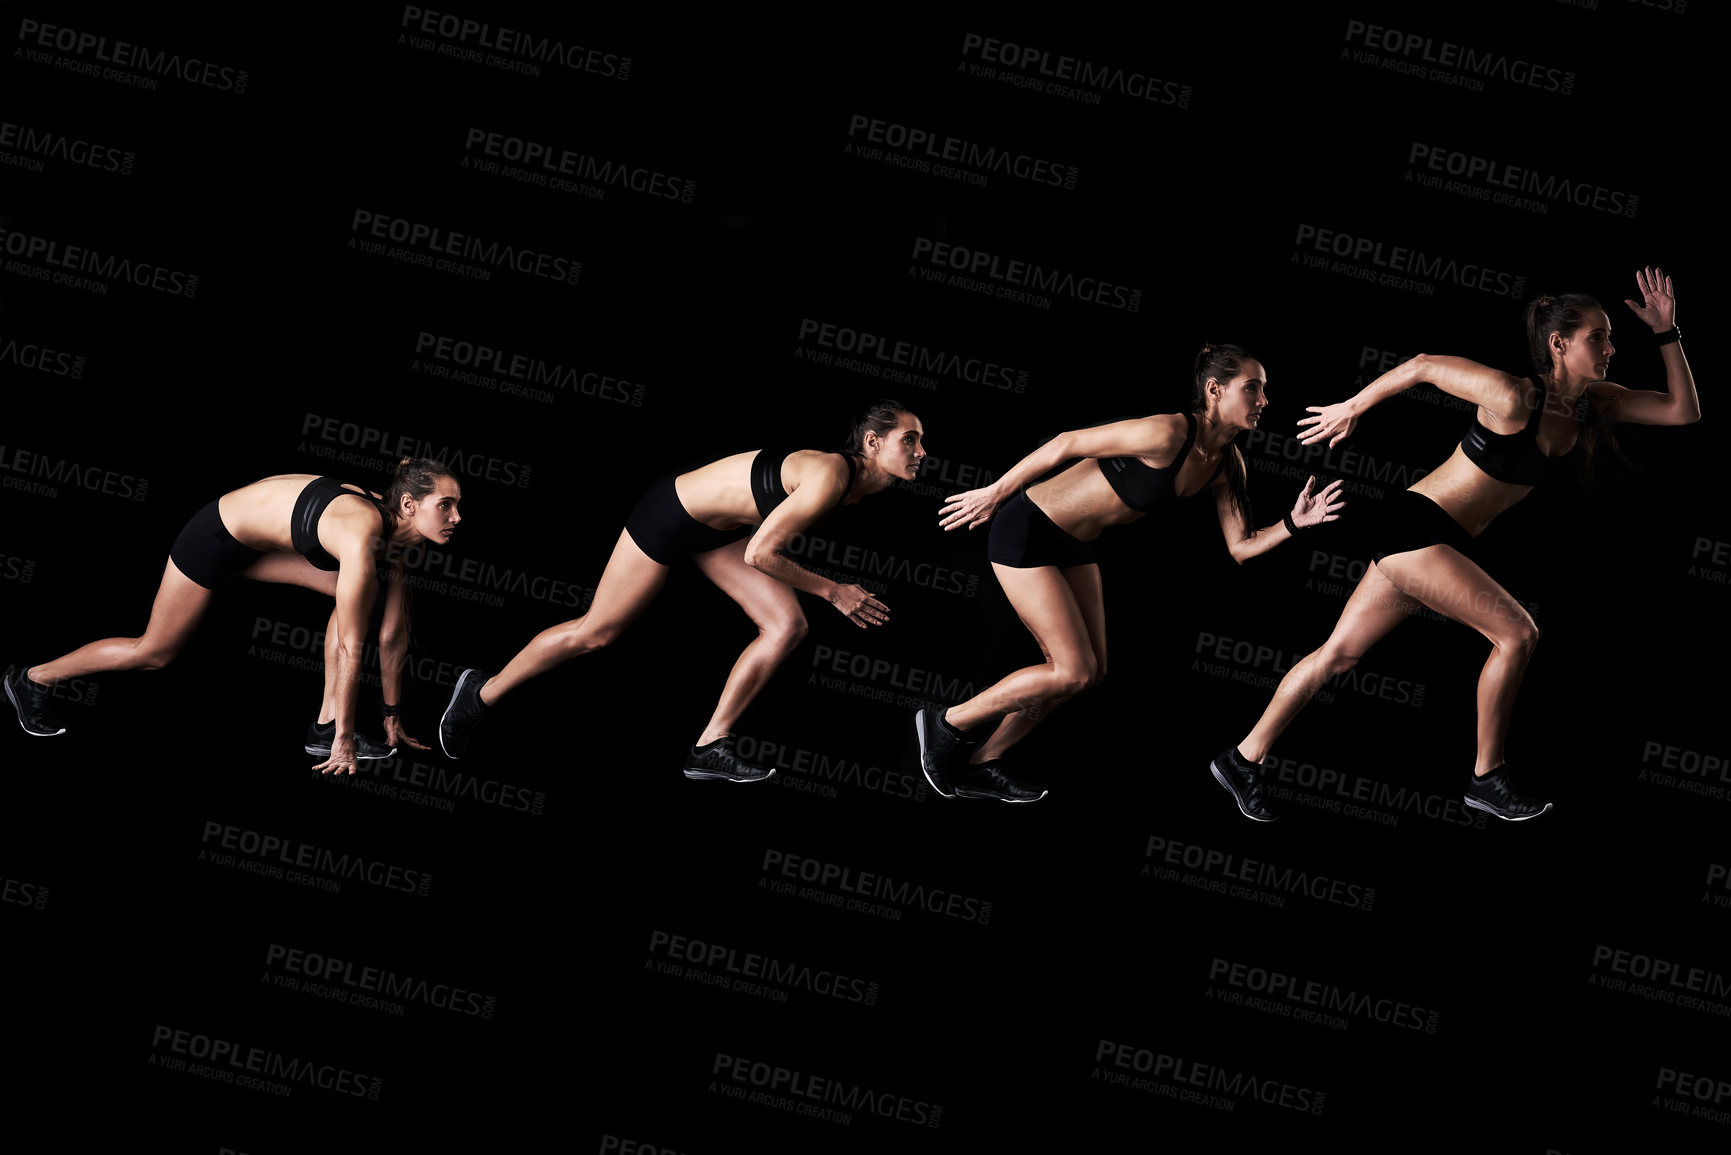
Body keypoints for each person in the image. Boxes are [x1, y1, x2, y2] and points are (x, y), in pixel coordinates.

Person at [1211, 267, 1697, 823]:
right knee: (1517, 634)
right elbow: (1422, 367)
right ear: (1560, 344)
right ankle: (1487, 778)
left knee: (1337, 656)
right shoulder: (1513, 396)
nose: (1611, 348)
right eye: (1599, 338)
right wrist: (1352, 408)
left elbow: (1682, 410)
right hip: (1413, 526)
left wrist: (1667, 332)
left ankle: (1242, 758)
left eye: (1611, 338)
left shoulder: (1594, 404)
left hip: (1432, 539)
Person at [918, 345, 1344, 802]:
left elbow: (1242, 547)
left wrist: (1293, 524)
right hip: (1026, 529)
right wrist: (995, 493)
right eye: (1253, 388)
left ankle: (985, 760)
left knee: (1089, 671)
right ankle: (946, 724)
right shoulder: (1166, 432)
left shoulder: (1226, 463)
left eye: (1264, 390)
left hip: (1072, 545)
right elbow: (1065, 442)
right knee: (1073, 671)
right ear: (1215, 390)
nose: (1264, 400)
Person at [437, 402, 926, 780]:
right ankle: (480, 694)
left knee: (785, 626)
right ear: (873, 442)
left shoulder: (860, 486)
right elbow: (761, 554)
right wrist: (834, 590)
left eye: (921, 441)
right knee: (596, 633)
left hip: (721, 531)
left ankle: (709, 747)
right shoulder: (832, 474)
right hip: (671, 517)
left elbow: (755, 534)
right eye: (910, 439)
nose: (922, 451)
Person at [4, 460, 462, 776]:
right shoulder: (362, 530)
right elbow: (351, 643)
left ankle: (322, 726)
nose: (457, 516)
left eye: (457, 505)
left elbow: (392, 636)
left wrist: (391, 715)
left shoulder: (396, 539)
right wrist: (349, 738)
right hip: (217, 540)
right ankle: (33, 678)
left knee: (365, 597)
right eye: (446, 504)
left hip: (262, 545)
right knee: (154, 652)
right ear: (408, 505)